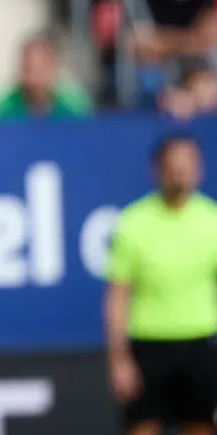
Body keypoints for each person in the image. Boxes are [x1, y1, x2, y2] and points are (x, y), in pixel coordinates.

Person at [104, 134, 217, 435]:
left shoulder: (212, 220)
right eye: (173, 167)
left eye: (187, 166)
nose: (180, 174)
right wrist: (119, 359)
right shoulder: (133, 223)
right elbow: (117, 297)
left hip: (199, 344)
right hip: (148, 347)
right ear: (157, 170)